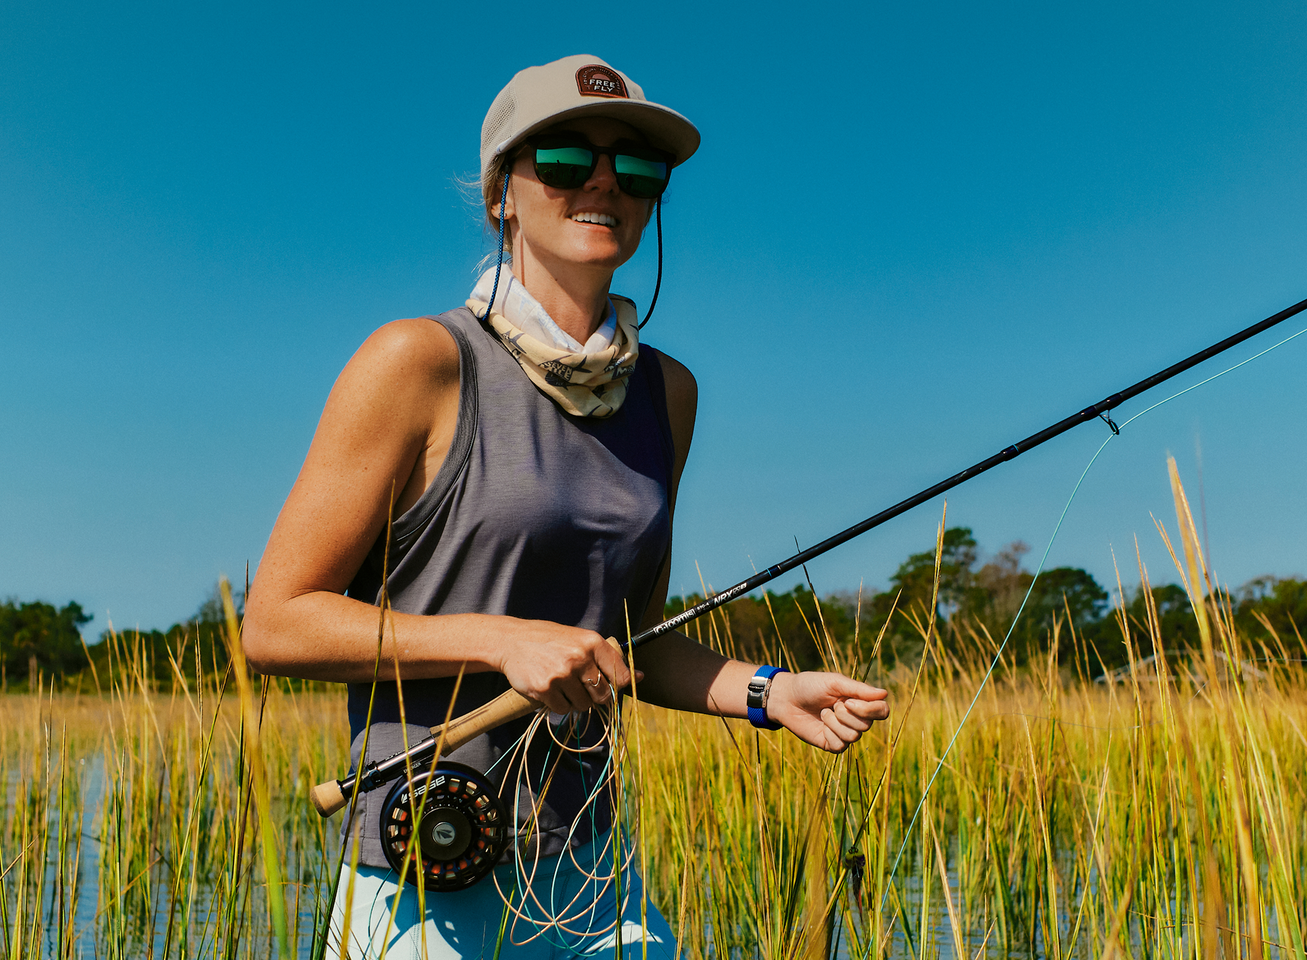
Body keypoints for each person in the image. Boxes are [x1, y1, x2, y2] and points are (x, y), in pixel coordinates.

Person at [241, 54, 891, 959]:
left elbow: (633, 641)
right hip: (426, 876)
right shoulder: (416, 362)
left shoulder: (668, 394)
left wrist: (770, 692)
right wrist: (504, 639)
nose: (602, 182)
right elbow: (276, 624)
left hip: (592, 869)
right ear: (501, 193)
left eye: (636, 167)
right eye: (564, 159)